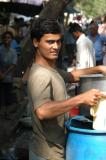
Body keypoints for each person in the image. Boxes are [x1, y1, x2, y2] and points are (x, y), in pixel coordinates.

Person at [28, 18, 106, 160]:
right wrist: (81, 98)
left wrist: (99, 69)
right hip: (47, 155)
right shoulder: (41, 74)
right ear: (35, 42)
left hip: (55, 150)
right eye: (50, 42)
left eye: (58, 41)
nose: (56, 46)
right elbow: (42, 111)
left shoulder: (51, 69)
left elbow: (72, 76)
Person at [0, 31, 17, 117]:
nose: (7, 39)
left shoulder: (13, 51)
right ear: (2, 39)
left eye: (9, 38)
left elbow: (13, 65)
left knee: (7, 94)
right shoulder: (0, 49)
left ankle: (7, 112)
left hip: (8, 76)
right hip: (0, 74)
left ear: (12, 40)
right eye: (5, 37)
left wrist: (4, 74)